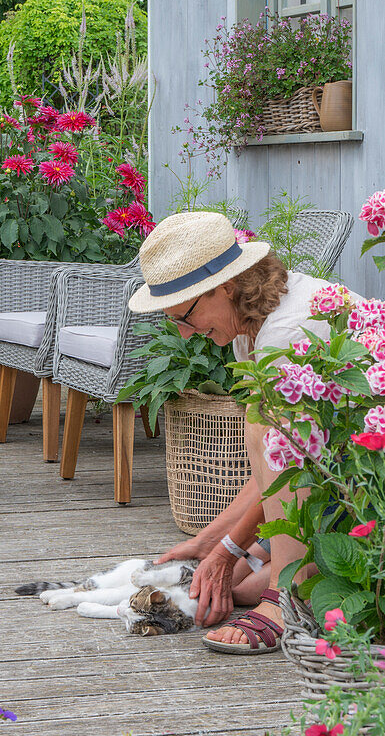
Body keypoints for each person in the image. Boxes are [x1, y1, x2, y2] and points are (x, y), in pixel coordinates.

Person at [128, 211, 361, 655]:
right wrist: (211, 541)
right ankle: (279, 584)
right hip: (339, 475)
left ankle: (286, 602)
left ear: (225, 286)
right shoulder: (248, 327)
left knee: (263, 420)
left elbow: (290, 455)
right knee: (239, 586)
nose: (184, 332)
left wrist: (230, 549)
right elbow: (275, 467)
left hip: (367, 479)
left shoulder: (287, 331)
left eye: (185, 316)